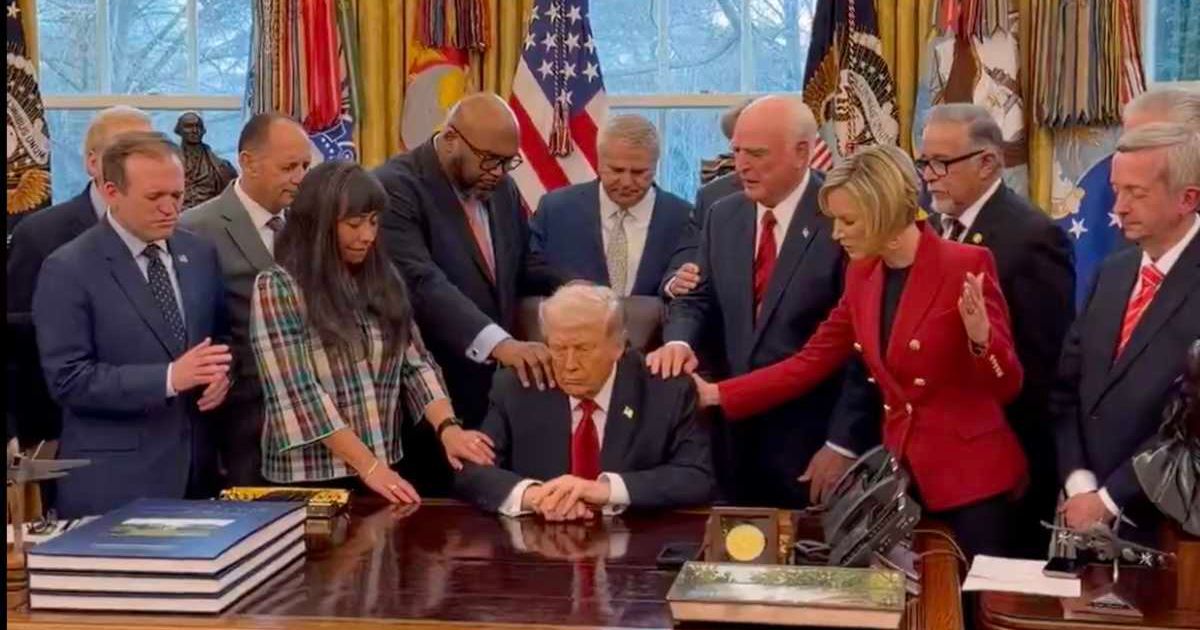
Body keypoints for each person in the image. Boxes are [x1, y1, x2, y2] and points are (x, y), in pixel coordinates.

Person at [691, 144, 1028, 558]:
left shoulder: (966, 264)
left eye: (848, 221)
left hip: (971, 483)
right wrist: (717, 394)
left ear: (883, 213)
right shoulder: (862, 273)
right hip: (897, 482)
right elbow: (810, 360)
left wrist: (981, 339)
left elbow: (1006, 385)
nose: (836, 234)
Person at [250, 160, 495, 503]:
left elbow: (416, 364)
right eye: (354, 224)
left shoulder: (382, 280)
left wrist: (447, 428)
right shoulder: (278, 286)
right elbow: (298, 393)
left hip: (386, 467)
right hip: (313, 479)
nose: (367, 235)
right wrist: (368, 467)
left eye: (374, 222)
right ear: (319, 225)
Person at [646, 96, 848, 508]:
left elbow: (861, 349)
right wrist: (679, 341)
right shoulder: (723, 214)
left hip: (812, 441)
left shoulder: (841, 215)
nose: (741, 165)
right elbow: (696, 296)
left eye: (756, 154)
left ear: (803, 153)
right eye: (737, 151)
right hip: (730, 439)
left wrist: (843, 442)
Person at [374, 93, 568, 495]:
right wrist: (501, 345)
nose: (498, 172)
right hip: (430, 397)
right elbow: (423, 283)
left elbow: (524, 265)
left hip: (492, 397)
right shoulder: (395, 187)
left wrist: (581, 289)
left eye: (508, 161)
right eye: (489, 159)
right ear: (449, 138)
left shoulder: (501, 187)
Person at [33, 132, 233, 518]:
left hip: (199, 477)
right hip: (114, 486)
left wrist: (221, 375)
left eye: (176, 196)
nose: (169, 208)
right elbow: (68, 379)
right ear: (111, 191)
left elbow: (219, 339)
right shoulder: (68, 268)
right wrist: (170, 378)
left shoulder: (200, 253)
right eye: (154, 197)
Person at [905, 104, 1073, 557]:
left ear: (988, 162)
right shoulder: (918, 220)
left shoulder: (1031, 237)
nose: (929, 176)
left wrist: (1018, 461)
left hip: (999, 470)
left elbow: (1042, 366)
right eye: (924, 162)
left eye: (942, 162)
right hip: (921, 463)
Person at [1053, 123, 1200, 543]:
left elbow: (1190, 424)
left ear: (1187, 199)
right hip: (1079, 513)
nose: (1119, 207)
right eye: (1117, 190)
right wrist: (1079, 483)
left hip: (1165, 530)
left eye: (1136, 193)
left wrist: (1110, 499)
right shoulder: (1112, 272)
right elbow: (1067, 391)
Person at [456, 284, 713, 519]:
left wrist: (604, 490)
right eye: (558, 348)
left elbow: (696, 477)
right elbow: (472, 470)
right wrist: (534, 496)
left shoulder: (666, 390)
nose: (569, 366)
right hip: (541, 553)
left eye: (583, 350)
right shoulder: (518, 385)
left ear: (619, 346)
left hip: (635, 551)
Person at [7, 106, 152, 449]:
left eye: (147, 151)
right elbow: (12, 337)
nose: (137, 164)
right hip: (63, 432)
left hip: (158, 431)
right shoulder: (41, 234)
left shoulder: (175, 233)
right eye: (124, 152)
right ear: (92, 163)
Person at [181, 113, 313, 485]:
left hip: (312, 422)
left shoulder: (310, 224)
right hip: (239, 426)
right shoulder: (195, 229)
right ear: (248, 162)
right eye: (289, 166)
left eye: (305, 165)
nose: (300, 176)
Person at [530, 114, 692, 297]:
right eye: (616, 170)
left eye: (639, 172)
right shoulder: (556, 210)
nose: (626, 182)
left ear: (655, 166)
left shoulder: (683, 218)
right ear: (599, 162)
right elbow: (530, 271)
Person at [175, 111, 238, 209]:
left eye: (198, 126)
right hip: (177, 217)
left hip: (210, 218)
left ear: (203, 131)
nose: (195, 130)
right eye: (189, 126)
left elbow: (232, 199)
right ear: (179, 130)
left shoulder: (222, 167)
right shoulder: (168, 165)